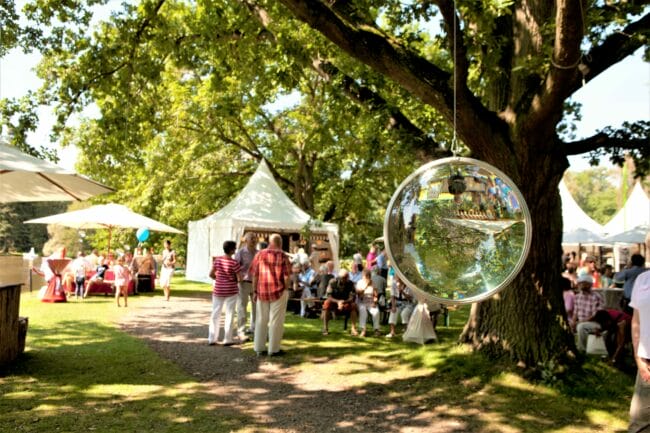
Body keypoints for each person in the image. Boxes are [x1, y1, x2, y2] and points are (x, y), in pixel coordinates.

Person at [250, 233, 291, 357]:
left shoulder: (259, 254)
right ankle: (273, 350)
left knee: (261, 320)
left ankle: (259, 348)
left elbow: (254, 274)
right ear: (280, 243)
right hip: (278, 291)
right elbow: (287, 275)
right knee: (276, 321)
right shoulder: (283, 256)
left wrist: (254, 291)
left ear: (269, 241)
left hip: (262, 290)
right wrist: (286, 288)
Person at [629, 232, 650, 432]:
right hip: (646, 361)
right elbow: (636, 321)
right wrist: (638, 358)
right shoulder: (643, 280)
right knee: (640, 421)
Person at [208, 241, 242, 346]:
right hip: (231, 291)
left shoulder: (218, 260)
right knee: (230, 314)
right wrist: (235, 281)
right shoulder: (234, 263)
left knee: (215, 313)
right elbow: (239, 278)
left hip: (218, 290)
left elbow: (211, 274)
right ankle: (227, 339)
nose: (235, 250)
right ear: (232, 250)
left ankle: (212, 338)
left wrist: (218, 279)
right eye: (234, 249)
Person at [234, 232, 258, 339]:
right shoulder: (241, 252)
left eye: (254, 238)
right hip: (244, 283)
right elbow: (235, 267)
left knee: (256, 308)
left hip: (256, 284)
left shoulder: (259, 253)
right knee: (242, 307)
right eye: (251, 238)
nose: (253, 240)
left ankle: (254, 328)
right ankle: (241, 331)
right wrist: (239, 279)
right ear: (246, 240)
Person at [573, 273, 604, 352]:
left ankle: (581, 349)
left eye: (584, 283)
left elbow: (596, 315)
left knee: (581, 326)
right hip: (581, 322)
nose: (581, 285)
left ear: (590, 285)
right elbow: (575, 312)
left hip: (595, 323)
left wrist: (580, 322)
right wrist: (573, 322)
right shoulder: (577, 296)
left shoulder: (595, 296)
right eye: (580, 283)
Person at [321, 269, 358, 336]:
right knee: (326, 303)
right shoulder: (332, 282)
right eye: (345, 277)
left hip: (346, 302)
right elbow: (329, 296)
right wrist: (338, 302)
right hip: (334, 302)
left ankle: (353, 328)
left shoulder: (350, 283)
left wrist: (343, 302)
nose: (346, 279)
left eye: (347, 277)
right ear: (340, 277)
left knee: (353, 305)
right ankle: (325, 328)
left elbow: (352, 297)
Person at [356, 269, 381, 337]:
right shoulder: (359, 282)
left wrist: (375, 301)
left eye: (368, 276)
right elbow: (359, 294)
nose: (366, 278)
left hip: (371, 302)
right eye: (365, 276)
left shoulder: (373, 283)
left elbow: (376, 295)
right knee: (363, 311)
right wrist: (366, 285)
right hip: (362, 302)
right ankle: (363, 329)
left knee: (376, 312)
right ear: (363, 276)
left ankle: (376, 329)